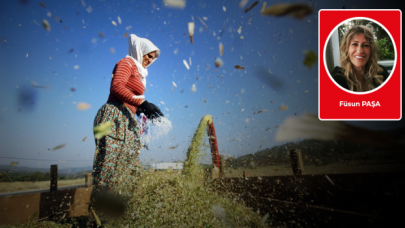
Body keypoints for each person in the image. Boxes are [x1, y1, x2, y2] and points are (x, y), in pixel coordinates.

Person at [89, 34, 163, 227]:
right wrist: (142, 102)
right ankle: (99, 219)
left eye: (153, 57)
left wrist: (143, 112)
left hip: (127, 120)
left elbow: (133, 101)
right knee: (109, 168)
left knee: (130, 170)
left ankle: (119, 216)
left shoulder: (140, 73)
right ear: (140, 51)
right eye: (148, 55)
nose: (150, 60)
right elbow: (117, 86)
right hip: (113, 117)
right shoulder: (127, 62)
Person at [331, 25, 389, 92]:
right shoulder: (337, 79)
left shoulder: (381, 72)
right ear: (346, 48)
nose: (360, 51)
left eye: (365, 45)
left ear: (371, 50)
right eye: (355, 44)